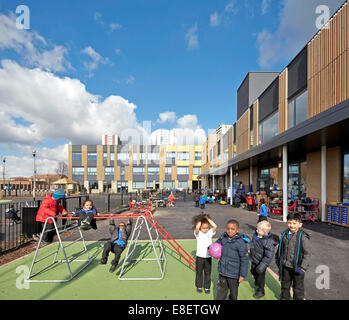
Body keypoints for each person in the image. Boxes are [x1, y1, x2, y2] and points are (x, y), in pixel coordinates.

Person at [275, 212, 311, 300]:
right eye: (290, 223)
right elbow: (281, 248)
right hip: (285, 266)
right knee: (285, 285)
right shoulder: (284, 234)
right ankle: (284, 298)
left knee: (298, 288)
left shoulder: (303, 237)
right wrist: (278, 259)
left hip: (297, 267)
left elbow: (307, 253)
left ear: (300, 224)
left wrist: (303, 267)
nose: (292, 225)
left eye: (294, 223)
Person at [215, 219, 250, 300]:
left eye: (232, 229)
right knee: (221, 291)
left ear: (237, 230)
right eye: (228, 229)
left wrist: (242, 275)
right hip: (223, 271)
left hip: (234, 274)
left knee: (233, 293)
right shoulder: (223, 237)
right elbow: (216, 244)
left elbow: (244, 260)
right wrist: (210, 249)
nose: (229, 231)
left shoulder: (241, 243)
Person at [249, 220, 279, 299]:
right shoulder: (256, 235)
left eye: (258, 230)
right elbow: (252, 243)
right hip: (254, 259)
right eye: (257, 229)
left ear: (264, 232)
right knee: (252, 271)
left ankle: (260, 290)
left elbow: (268, 256)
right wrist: (250, 252)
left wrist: (262, 266)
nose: (256, 230)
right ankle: (257, 280)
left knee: (260, 277)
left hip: (262, 263)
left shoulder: (268, 242)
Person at [192, 213, 217, 294]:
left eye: (207, 228)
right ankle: (199, 286)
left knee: (207, 273)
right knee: (199, 272)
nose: (205, 229)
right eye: (203, 228)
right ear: (200, 228)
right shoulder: (198, 234)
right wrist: (200, 220)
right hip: (199, 257)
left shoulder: (210, 233)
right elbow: (196, 228)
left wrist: (208, 219)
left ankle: (207, 287)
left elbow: (215, 226)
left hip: (208, 257)